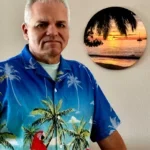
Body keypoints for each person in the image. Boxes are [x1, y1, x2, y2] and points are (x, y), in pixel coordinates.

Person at [0, 0, 126, 149]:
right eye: (42, 24)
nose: (53, 32)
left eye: (60, 25)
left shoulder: (82, 75)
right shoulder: (4, 76)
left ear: (68, 30)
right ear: (26, 31)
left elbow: (108, 133)